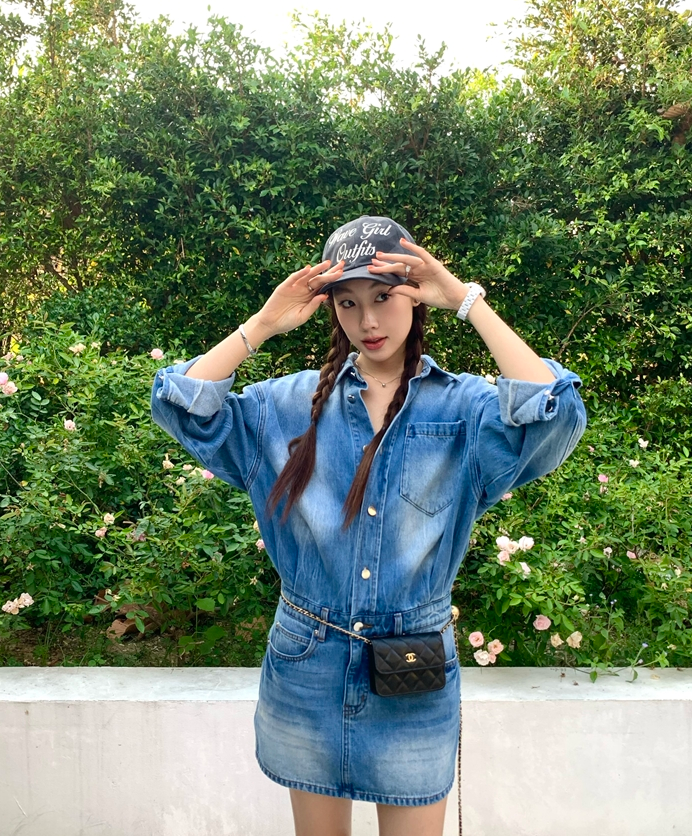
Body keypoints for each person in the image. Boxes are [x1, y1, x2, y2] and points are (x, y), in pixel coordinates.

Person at [151, 215, 587, 836]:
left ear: (415, 295)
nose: (368, 321)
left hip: (412, 669)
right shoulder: (288, 405)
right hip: (307, 665)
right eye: (349, 303)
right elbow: (181, 405)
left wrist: (467, 301)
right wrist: (263, 324)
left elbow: (555, 413)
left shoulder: (464, 408)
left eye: (384, 296)